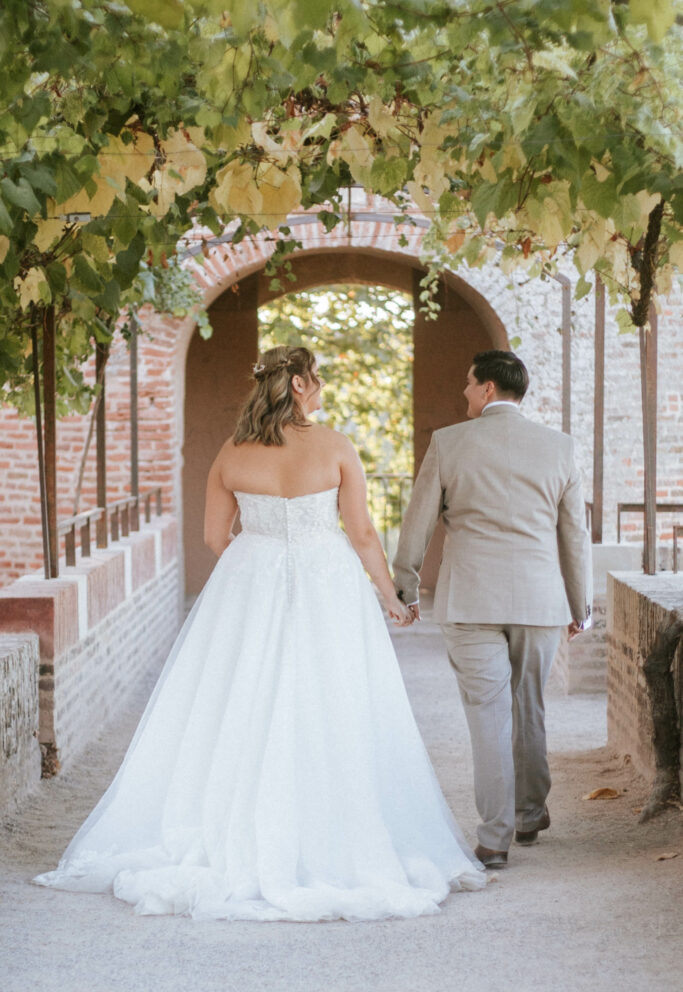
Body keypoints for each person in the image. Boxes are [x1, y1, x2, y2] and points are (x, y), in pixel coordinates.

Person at [34, 345, 486, 920]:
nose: (320, 387)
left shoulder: (231, 452)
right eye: (316, 378)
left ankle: (233, 820)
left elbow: (213, 537)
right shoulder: (335, 446)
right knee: (333, 696)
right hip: (328, 582)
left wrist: (256, 566)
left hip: (250, 579)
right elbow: (365, 533)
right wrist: (391, 597)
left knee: (240, 697)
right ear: (297, 384)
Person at [393, 350, 592, 870]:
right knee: (530, 705)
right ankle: (529, 814)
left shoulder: (449, 443)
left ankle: (493, 837)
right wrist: (580, 605)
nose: (464, 393)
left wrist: (405, 587)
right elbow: (573, 534)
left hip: (470, 601)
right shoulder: (560, 448)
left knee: (487, 715)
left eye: (467, 383)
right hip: (540, 599)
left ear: (485, 390)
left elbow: (418, 522)